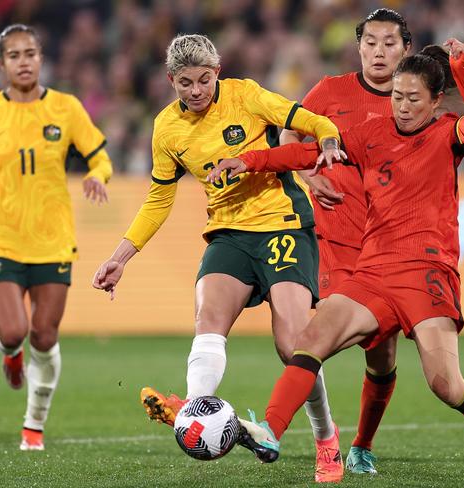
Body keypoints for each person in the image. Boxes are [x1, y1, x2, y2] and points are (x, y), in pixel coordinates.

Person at [208, 39, 464, 485]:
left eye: (412, 99)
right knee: (311, 338)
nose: (402, 107)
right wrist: (250, 160)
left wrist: (462, 66)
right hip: (374, 271)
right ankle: (271, 430)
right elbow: (309, 152)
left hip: (427, 274)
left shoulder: (449, 134)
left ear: (436, 100)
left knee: (446, 385)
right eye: (397, 96)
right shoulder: (372, 132)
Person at [92, 34, 345, 483]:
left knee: (294, 345)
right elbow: (157, 201)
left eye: (204, 80)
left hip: (282, 225)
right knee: (208, 318)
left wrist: (326, 144)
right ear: (171, 80)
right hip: (229, 234)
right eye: (185, 83)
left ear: (218, 72)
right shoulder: (167, 129)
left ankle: (326, 440)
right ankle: (195, 412)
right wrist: (120, 257)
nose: (196, 91)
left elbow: (315, 121)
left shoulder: (246, 95)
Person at [0, 24, 112, 451]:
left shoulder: (66, 108)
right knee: (12, 331)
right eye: (15, 55)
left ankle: (34, 424)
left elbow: (100, 157)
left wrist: (97, 176)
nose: (24, 62)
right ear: (1, 64)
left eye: (31, 53)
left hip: (53, 239)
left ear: (42, 58)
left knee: (44, 335)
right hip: (1, 237)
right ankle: (9, 351)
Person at [279, 8, 411, 474]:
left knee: (382, 354)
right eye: (370, 42)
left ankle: (362, 443)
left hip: (390, 248)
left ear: (406, 49)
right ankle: (313, 437)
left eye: (389, 43)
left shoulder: (412, 102)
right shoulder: (330, 92)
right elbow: (290, 133)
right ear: (358, 47)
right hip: (335, 240)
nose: (378, 51)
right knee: (313, 338)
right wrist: (307, 179)